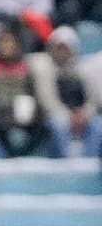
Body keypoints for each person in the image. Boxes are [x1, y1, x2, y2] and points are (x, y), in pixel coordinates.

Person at [29, 25, 102, 158]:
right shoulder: (45, 68)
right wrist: (69, 117)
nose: (62, 52)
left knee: (98, 125)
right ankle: (67, 163)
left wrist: (84, 114)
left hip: (81, 116)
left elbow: (92, 99)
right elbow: (48, 99)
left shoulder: (82, 69)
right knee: (59, 125)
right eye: (59, 48)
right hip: (57, 115)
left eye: (66, 48)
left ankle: (89, 161)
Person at [0, 30, 46, 157]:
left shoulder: (25, 67)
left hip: (22, 110)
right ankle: (10, 153)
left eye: (9, 42)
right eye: (2, 42)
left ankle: (24, 153)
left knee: (43, 124)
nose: (6, 46)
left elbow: (32, 93)